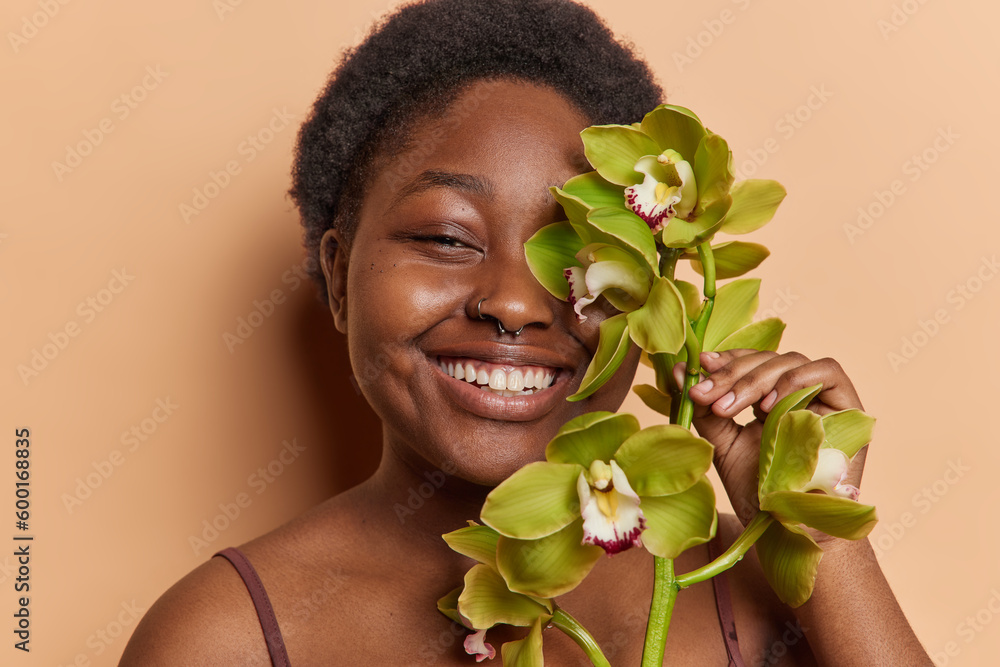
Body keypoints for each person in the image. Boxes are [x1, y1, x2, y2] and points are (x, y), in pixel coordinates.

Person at [120, 1, 931, 664]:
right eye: (447, 237)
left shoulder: (748, 587)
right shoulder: (223, 638)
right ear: (337, 278)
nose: (515, 301)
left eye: (582, 256)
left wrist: (815, 520)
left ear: (656, 291)